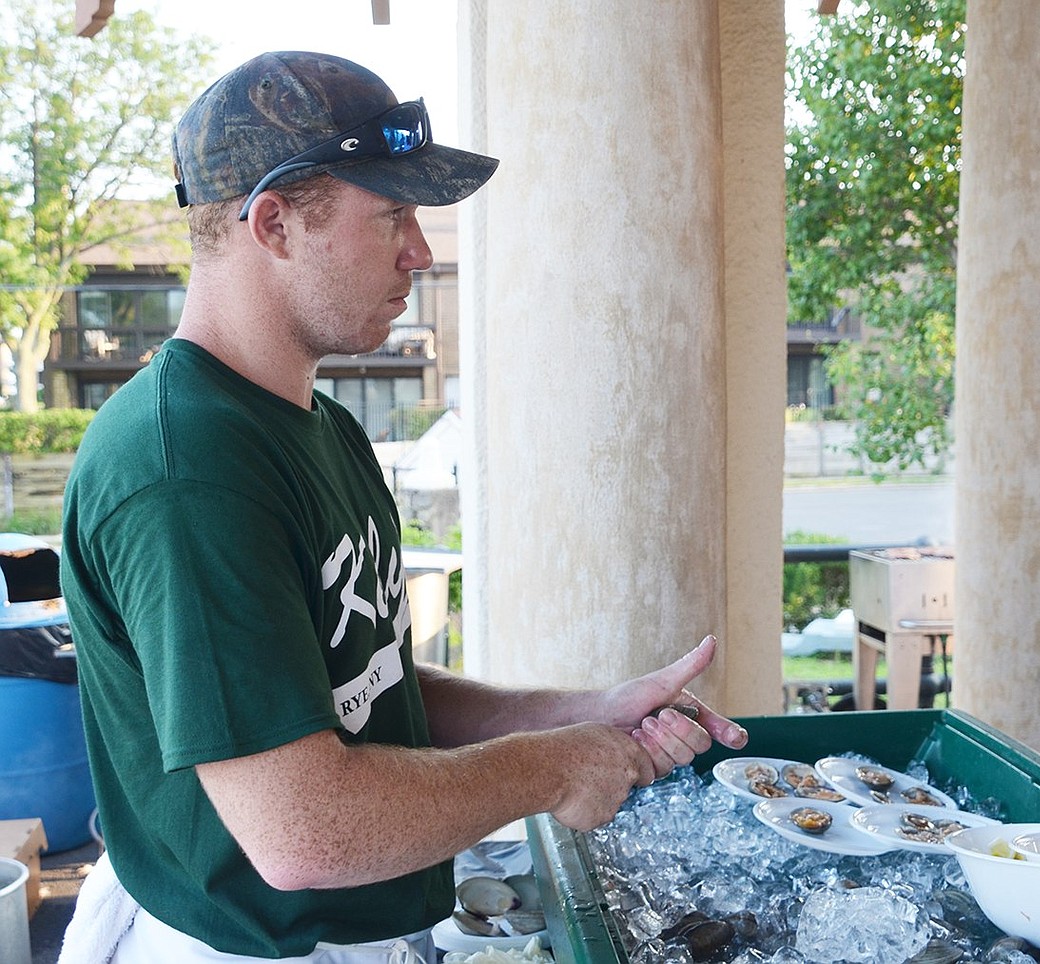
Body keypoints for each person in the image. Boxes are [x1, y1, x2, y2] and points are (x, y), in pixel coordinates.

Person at [58, 50, 749, 963]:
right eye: (390, 213)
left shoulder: (317, 425)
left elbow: (362, 687)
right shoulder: (189, 473)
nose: (419, 251)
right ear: (272, 223)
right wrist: (555, 767)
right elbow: (305, 832)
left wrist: (588, 711)